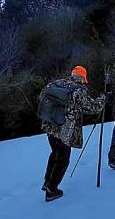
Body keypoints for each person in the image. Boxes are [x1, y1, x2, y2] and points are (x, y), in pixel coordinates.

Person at [40, 66, 106, 202]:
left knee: (54, 153)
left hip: (50, 126)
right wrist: (103, 98)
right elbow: (93, 107)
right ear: (82, 78)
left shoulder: (56, 83)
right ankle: (52, 190)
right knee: (63, 159)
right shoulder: (78, 91)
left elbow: (42, 96)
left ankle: (47, 182)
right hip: (65, 130)